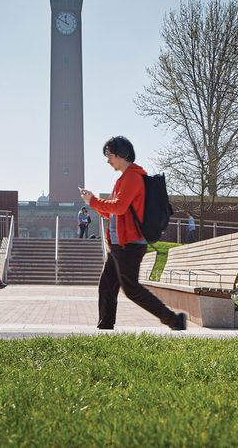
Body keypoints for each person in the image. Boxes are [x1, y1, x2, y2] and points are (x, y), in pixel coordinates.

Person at [80, 135, 187, 331]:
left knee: (132, 290)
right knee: (107, 286)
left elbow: (119, 207)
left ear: (122, 154)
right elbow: (114, 212)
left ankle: (174, 320)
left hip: (129, 244)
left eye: (110, 155)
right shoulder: (123, 179)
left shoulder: (132, 177)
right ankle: (105, 326)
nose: (108, 160)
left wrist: (94, 201)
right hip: (119, 244)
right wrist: (93, 203)